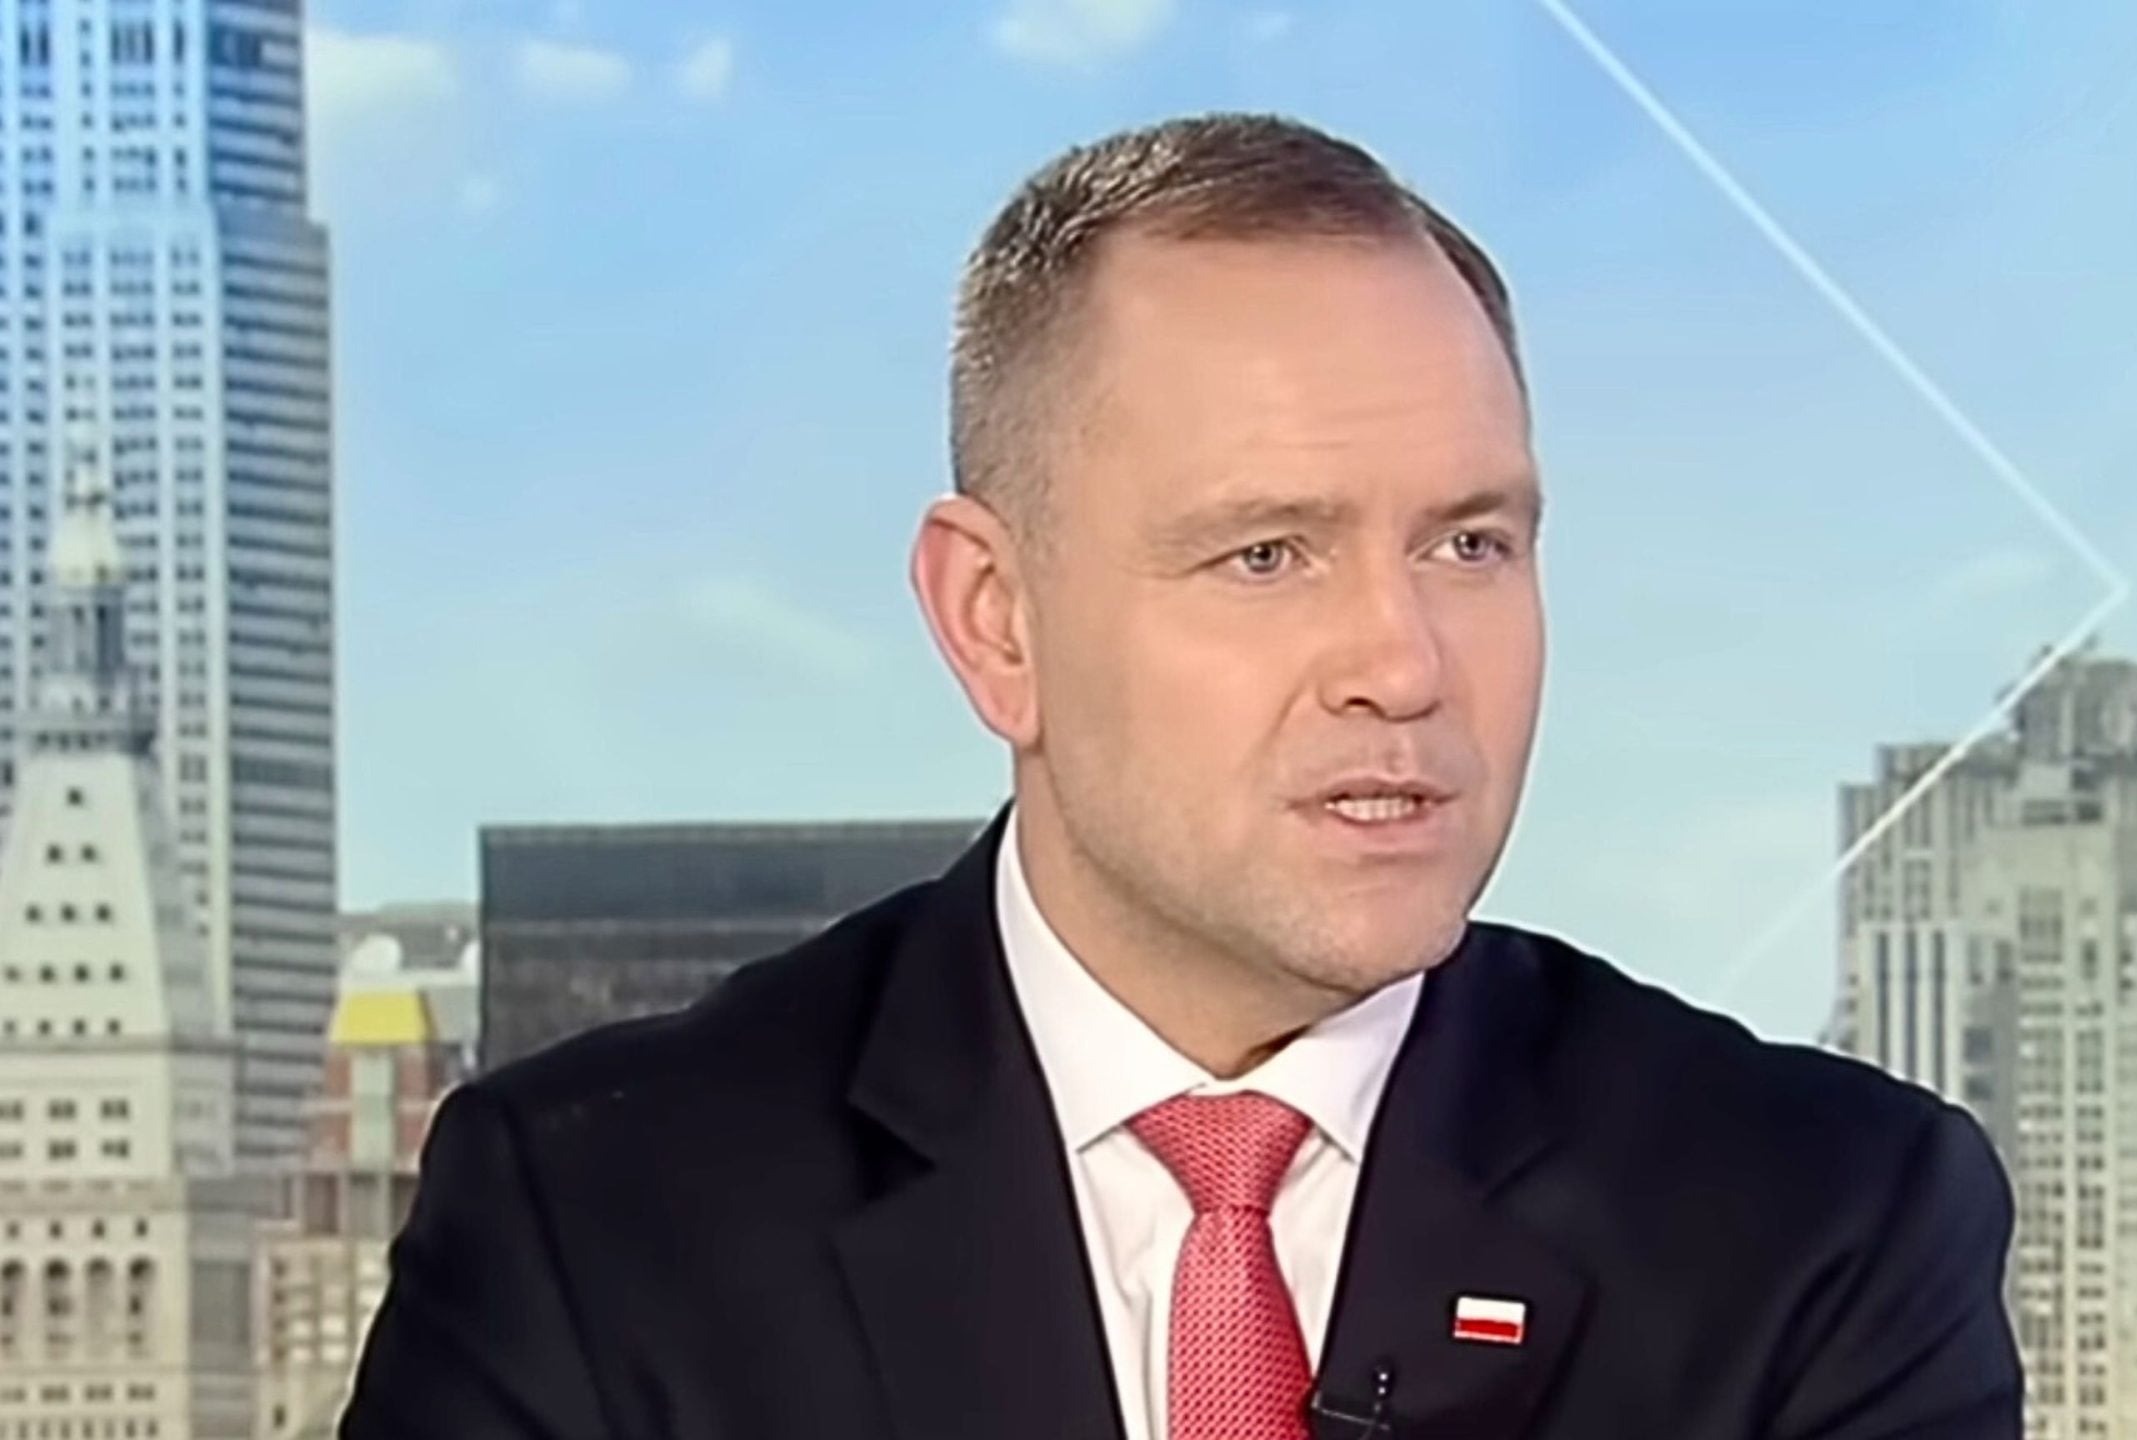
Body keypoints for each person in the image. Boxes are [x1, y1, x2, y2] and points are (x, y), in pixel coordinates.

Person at [342, 112, 2022, 1440]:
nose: (1406, 660)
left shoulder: (1821, 1225)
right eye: (1270, 554)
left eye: (1469, 541)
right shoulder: (602, 1223)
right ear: (996, 623)